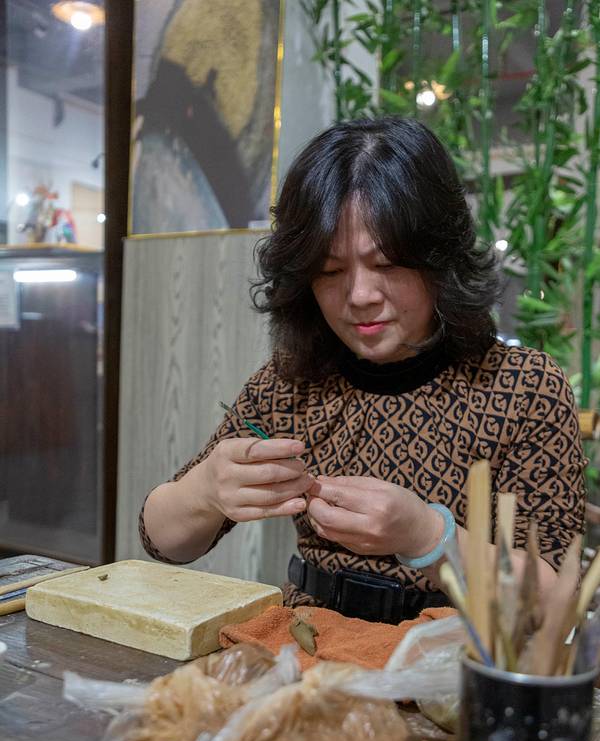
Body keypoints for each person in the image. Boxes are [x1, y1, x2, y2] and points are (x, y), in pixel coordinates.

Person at [140, 116, 585, 624]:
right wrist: (205, 490)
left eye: (388, 264)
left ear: (440, 258)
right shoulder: (290, 383)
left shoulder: (523, 387)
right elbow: (162, 540)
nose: (359, 296)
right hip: (310, 641)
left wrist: (428, 538)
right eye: (330, 271)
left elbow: (559, 598)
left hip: (460, 651)